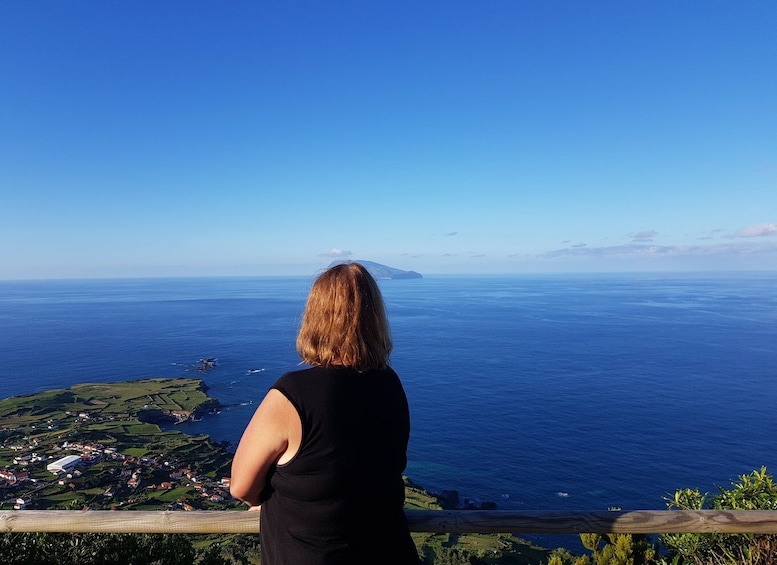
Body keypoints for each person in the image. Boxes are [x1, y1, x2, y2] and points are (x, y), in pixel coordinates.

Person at [230, 262, 421, 565]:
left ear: (315, 317)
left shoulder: (293, 394)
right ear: (374, 319)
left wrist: (265, 499)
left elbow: (241, 486)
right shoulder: (390, 384)